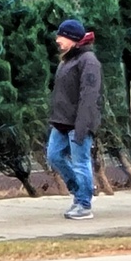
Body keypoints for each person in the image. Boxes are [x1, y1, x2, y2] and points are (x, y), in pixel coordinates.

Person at [47, 19, 104, 219]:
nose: (57, 40)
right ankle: (81, 190)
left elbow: (89, 96)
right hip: (61, 122)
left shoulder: (88, 61)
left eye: (61, 36)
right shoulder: (67, 60)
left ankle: (83, 204)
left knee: (81, 162)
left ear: (72, 39)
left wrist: (82, 127)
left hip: (79, 122)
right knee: (53, 156)